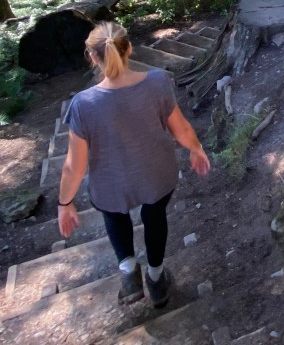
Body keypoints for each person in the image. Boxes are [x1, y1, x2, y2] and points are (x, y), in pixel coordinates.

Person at [57, 22, 211, 309]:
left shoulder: (83, 104)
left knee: (115, 217)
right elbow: (180, 129)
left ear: (93, 57)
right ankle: (156, 277)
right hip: (156, 173)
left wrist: (65, 203)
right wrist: (196, 149)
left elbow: (73, 167)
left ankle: (128, 273)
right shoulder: (157, 82)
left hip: (111, 183)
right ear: (129, 49)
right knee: (155, 217)